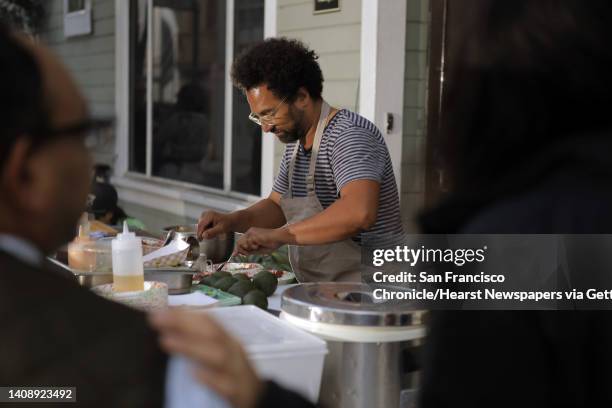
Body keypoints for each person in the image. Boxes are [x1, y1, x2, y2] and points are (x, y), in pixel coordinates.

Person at [198, 38, 402, 282]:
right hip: (324, 290)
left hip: (371, 292)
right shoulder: (297, 142)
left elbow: (359, 213)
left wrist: (282, 236)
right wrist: (231, 220)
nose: (265, 128)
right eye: (258, 118)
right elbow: (276, 206)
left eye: (269, 114)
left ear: (302, 96)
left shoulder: (349, 135)